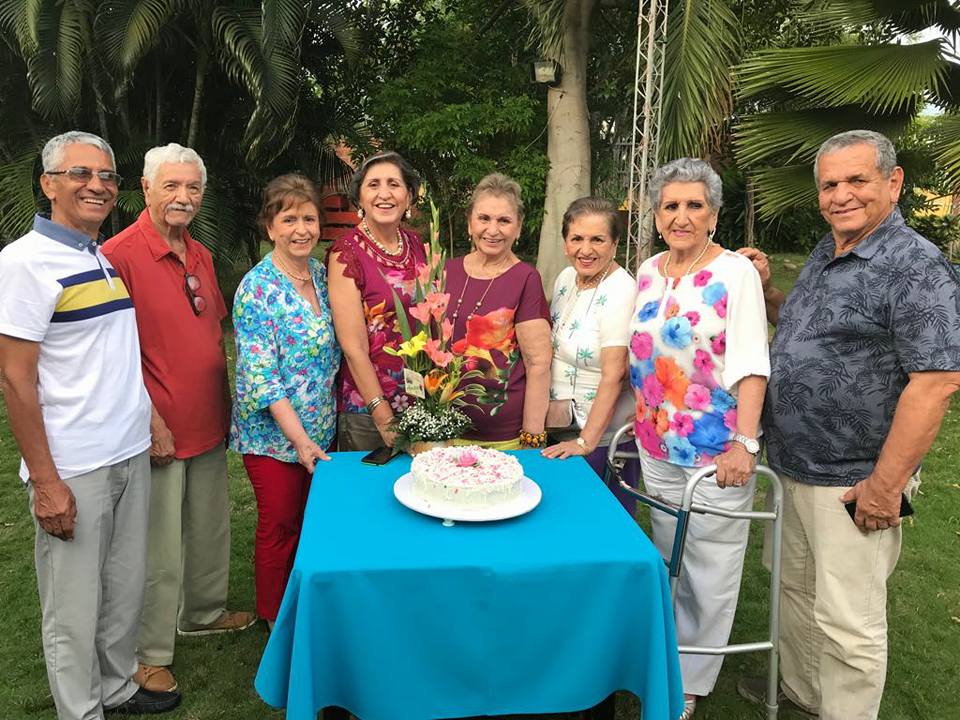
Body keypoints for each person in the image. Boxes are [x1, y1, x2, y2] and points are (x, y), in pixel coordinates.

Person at [736, 130, 960, 720]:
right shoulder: (829, 249)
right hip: (794, 465)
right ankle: (805, 695)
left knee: (847, 620)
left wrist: (884, 487)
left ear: (894, 182)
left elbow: (936, 381)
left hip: (853, 478)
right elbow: (804, 325)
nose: (841, 195)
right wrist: (767, 292)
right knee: (796, 591)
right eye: (830, 184)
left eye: (857, 180)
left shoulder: (915, 265)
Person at [0, 131, 181, 717]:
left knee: (122, 587)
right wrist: (46, 482)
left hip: (127, 450)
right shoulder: (23, 263)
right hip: (74, 465)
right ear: (49, 184)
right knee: (73, 606)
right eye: (80, 174)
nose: (97, 185)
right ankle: (81, 710)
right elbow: (15, 380)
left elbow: (114, 355)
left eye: (106, 175)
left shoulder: (95, 254)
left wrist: (150, 419)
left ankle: (117, 688)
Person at [101, 143, 255, 695]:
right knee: (158, 549)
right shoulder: (119, 256)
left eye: (192, 187)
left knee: (210, 527)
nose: (183, 197)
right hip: (156, 426)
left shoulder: (200, 254)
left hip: (209, 418)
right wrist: (151, 421)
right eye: (171, 186)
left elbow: (211, 331)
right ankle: (148, 652)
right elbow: (112, 354)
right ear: (145, 189)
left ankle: (204, 612)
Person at [628, 158, 770, 719]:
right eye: (670, 206)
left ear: (713, 214)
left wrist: (745, 443)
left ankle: (690, 681)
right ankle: (669, 656)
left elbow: (752, 363)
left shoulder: (735, 273)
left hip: (715, 450)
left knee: (710, 569)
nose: (681, 216)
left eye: (694, 205)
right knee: (670, 557)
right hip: (656, 443)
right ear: (656, 216)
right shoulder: (648, 269)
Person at [230, 175, 341, 629]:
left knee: (314, 524)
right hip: (274, 438)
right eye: (289, 219)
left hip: (323, 428)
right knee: (280, 526)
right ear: (270, 227)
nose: (301, 229)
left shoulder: (321, 275)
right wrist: (299, 440)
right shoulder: (256, 289)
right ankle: (275, 618)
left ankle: (308, 607)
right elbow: (263, 378)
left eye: (309, 219)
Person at [541, 197, 640, 511]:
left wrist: (586, 442)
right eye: (577, 239)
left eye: (597, 239)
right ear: (565, 243)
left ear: (615, 243)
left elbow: (616, 374)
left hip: (601, 441)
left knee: (598, 523)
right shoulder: (566, 279)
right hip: (562, 429)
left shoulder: (620, 290)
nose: (586, 250)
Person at [327, 151, 427, 451]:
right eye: (373, 185)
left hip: (421, 401)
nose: (384, 194)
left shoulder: (417, 245)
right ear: (359, 197)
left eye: (394, 184)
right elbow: (353, 347)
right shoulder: (346, 254)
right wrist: (383, 416)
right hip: (367, 411)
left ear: (409, 196)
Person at [445, 173, 552, 449]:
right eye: (484, 218)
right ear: (469, 222)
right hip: (441, 431)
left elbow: (538, 363)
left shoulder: (526, 279)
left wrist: (532, 437)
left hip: (503, 438)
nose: (492, 230)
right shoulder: (446, 271)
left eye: (504, 221)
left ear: (518, 228)